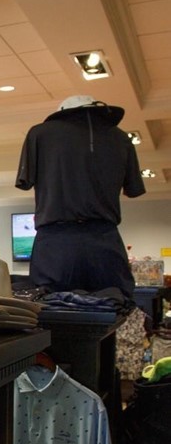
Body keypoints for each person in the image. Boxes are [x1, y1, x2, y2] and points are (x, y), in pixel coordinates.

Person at [15, 95, 146, 297]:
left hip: (56, 240)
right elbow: (133, 188)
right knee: (112, 307)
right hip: (105, 240)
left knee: (52, 308)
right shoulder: (121, 138)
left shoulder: (40, 133)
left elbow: (25, 181)